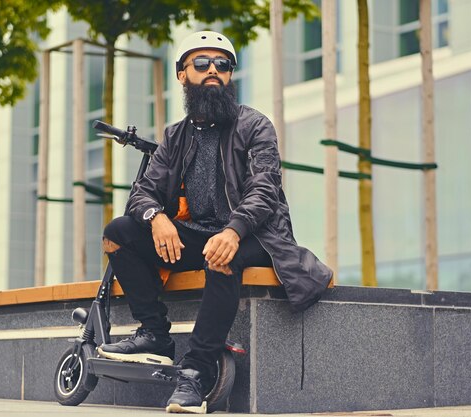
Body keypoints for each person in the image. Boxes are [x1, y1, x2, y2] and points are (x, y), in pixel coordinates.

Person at [98, 30, 333, 414]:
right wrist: (157, 218)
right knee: (118, 233)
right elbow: (142, 193)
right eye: (202, 63)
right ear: (182, 74)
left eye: (222, 65)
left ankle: (195, 371)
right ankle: (155, 334)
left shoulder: (255, 126)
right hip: (199, 237)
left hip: (258, 237)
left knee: (222, 254)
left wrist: (232, 230)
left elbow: (265, 190)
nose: (213, 71)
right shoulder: (175, 137)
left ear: (230, 75)